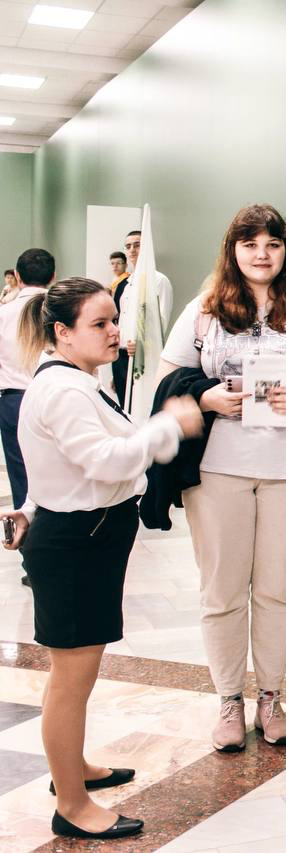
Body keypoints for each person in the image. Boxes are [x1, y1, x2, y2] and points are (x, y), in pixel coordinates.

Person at [0, 277, 202, 840]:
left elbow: (53, 464)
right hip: (76, 545)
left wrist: (28, 507)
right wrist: (170, 423)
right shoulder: (65, 390)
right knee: (71, 677)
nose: (115, 332)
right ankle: (71, 805)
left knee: (77, 674)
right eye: (100, 323)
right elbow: (106, 461)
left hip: (83, 537)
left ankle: (74, 768)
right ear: (62, 332)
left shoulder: (74, 381)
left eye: (114, 320)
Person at [158, 203, 286, 752]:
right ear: (233, 250)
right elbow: (168, 388)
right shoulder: (203, 312)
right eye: (250, 244)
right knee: (221, 590)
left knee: (277, 590)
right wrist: (208, 397)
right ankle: (228, 699)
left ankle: (270, 697)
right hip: (218, 468)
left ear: (285, 250)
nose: (262, 254)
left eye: (272, 244)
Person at [0, 250, 54, 545]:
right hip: (56, 394)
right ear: (53, 276)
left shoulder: (3, 313)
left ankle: (29, 545)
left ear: (17, 277)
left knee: (21, 474)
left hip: (14, 399)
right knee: (59, 470)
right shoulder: (61, 309)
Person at [112, 229, 173, 403]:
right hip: (120, 356)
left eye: (137, 245)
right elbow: (120, 319)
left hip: (142, 357)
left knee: (140, 406)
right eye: (128, 246)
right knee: (123, 407)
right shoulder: (125, 283)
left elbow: (161, 322)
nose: (132, 250)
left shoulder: (159, 280)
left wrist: (142, 345)